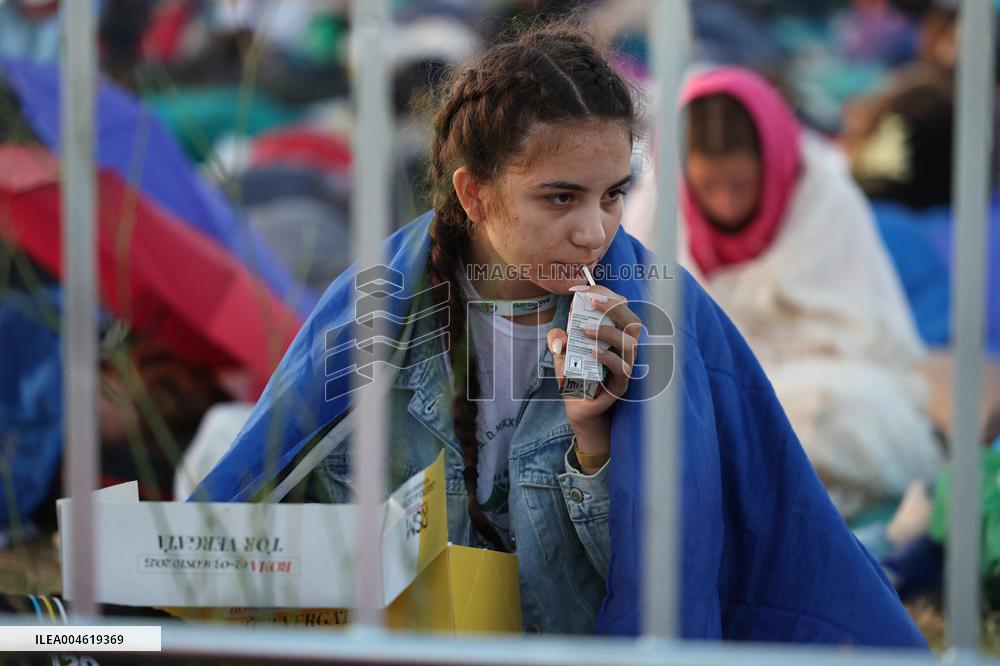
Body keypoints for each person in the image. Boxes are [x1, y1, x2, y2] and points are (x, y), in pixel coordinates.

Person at [196, 25, 926, 645]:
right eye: (560, 197)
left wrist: (593, 446)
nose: (593, 230)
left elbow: (660, 594)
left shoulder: (654, 317)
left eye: (613, 196)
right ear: (473, 193)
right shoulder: (379, 311)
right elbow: (272, 518)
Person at [628, 66, 942, 518]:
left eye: (740, 185)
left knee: (830, 415)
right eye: (708, 187)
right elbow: (651, 335)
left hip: (820, 387)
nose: (726, 203)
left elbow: (868, 339)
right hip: (708, 392)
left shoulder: (825, 199)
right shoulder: (658, 208)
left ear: (772, 164)